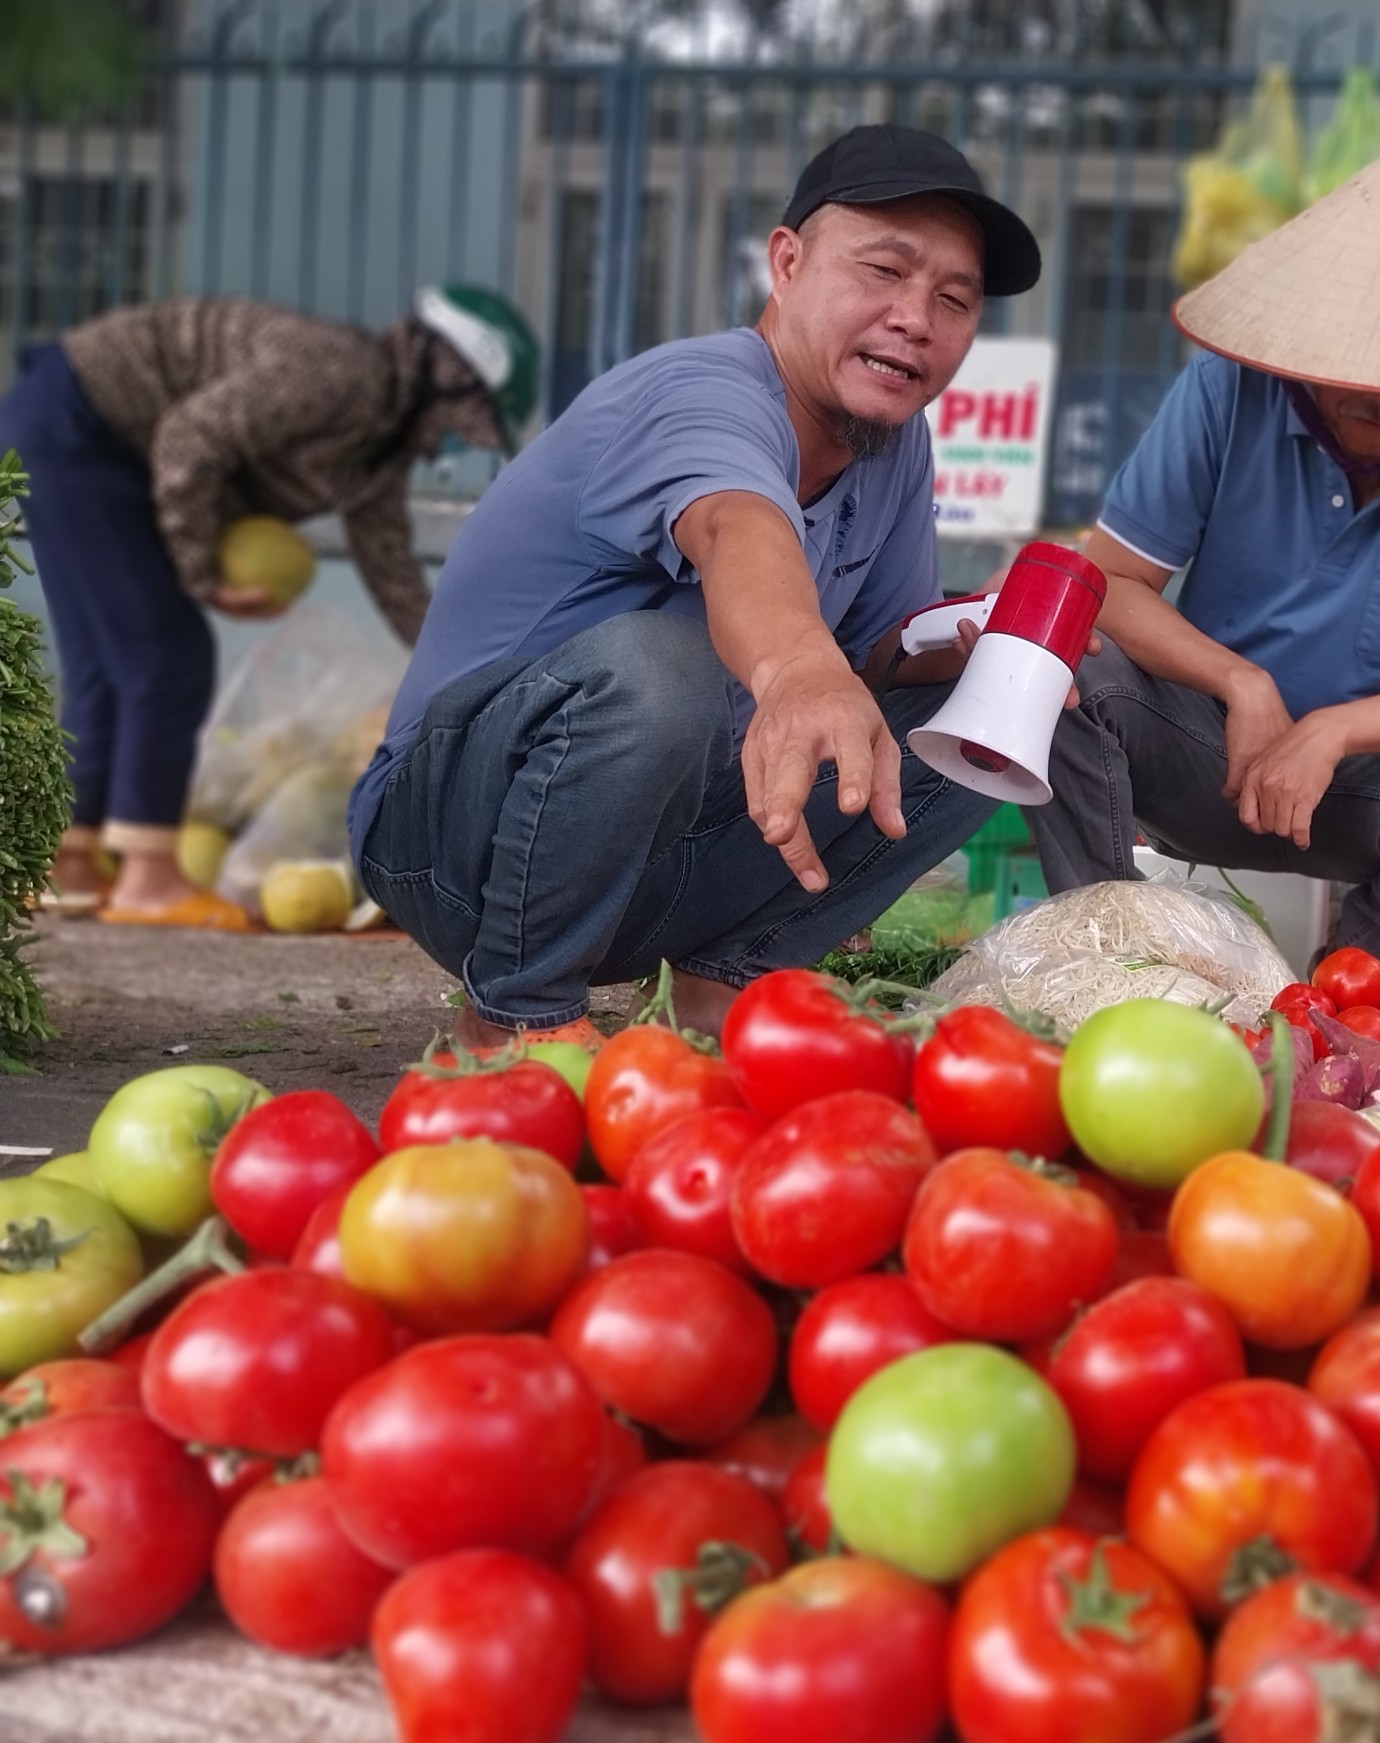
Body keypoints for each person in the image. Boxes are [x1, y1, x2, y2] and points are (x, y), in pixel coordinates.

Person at [351, 125, 1042, 1051]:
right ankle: (516, 1016)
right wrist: (799, 669)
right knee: (663, 664)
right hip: (453, 842)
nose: (916, 317)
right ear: (786, 264)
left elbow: (874, 658)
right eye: (883, 271)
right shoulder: (700, 392)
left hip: (660, 858)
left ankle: (721, 992)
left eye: (954, 299)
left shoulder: (893, 442)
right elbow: (736, 530)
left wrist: (976, 641)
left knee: (996, 709)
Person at [1030, 140, 1380, 968]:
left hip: (1366, 782)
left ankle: (1338, 999)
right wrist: (1239, 680)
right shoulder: (1227, 386)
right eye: (1356, 368)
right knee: (1063, 673)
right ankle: (1106, 961)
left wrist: (1330, 732)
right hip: (1204, 751)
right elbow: (1108, 583)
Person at [4, 285, 535, 926]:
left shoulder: (373, 447)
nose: (452, 444)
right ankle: (148, 878)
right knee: (165, 656)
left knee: (108, 663)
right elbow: (189, 437)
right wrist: (200, 574)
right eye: (463, 423)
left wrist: (469, 672)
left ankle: (70, 861)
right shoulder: (340, 376)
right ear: (443, 375)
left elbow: (392, 571)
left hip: (69, 426)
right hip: (81, 427)